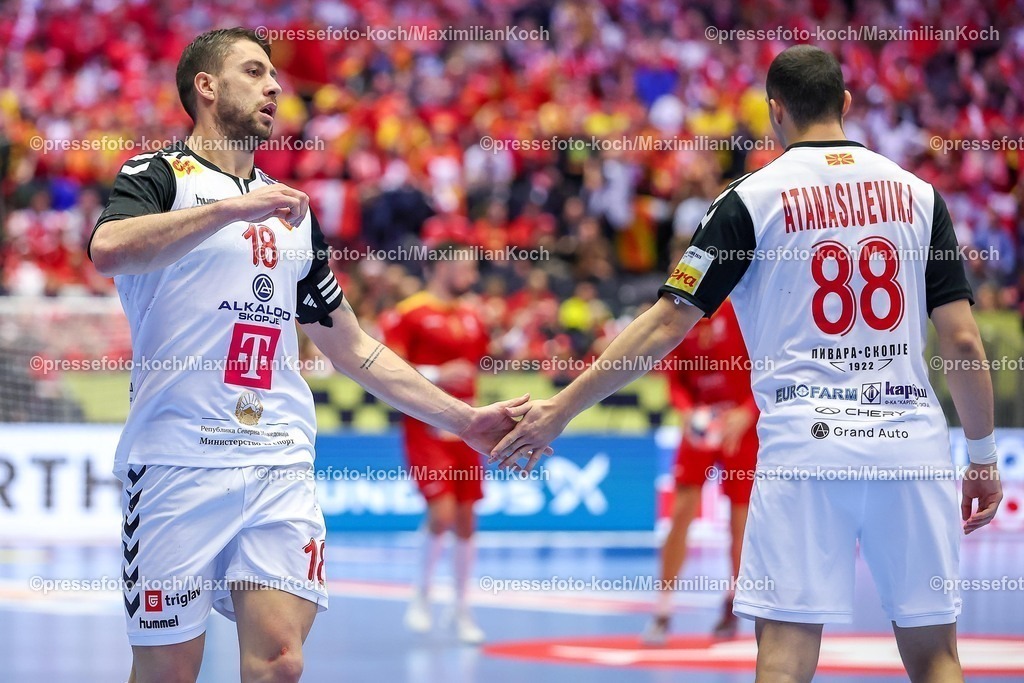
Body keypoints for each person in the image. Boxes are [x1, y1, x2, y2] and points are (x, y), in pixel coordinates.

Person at [490, 45, 1003, 683]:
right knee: (936, 659)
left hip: (807, 449)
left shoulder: (751, 200)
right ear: (846, 104)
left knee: (784, 661)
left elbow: (665, 321)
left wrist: (560, 409)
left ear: (774, 112)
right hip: (912, 445)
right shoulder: (921, 197)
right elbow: (962, 343)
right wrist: (982, 457)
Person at [88, 28, 525, 683]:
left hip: (277, 459)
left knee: (281, 663)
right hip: (176, 459)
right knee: (166, 672)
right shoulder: (157, 176)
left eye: (275, 76)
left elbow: (350, 344)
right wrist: (235, 207)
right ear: (205, 86)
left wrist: (462, 419)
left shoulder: (292, 213)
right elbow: (109, 249)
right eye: (255, 71)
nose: (274, 87)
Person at [379, 244, 491, 643]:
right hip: (425, 427)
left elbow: (479, 364)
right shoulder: (409, 313)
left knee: (466, 518)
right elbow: (386, 367)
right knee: (441, 511)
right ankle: (421, 596)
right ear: (442, 265)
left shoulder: (473, 315)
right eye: (466, 266)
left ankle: (462, 609)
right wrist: (437, 374)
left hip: (468, 428)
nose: (472, 276)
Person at [642, 298, 757, 645]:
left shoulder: (741, 310)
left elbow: (771, 367)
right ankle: (662, 609)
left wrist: (750, 411)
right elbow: (674, 379)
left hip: (741, 427)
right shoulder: (679, 313)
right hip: (701, 426)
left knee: (741, 522)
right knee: (680, 514)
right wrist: (687, 410)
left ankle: (732, 603)